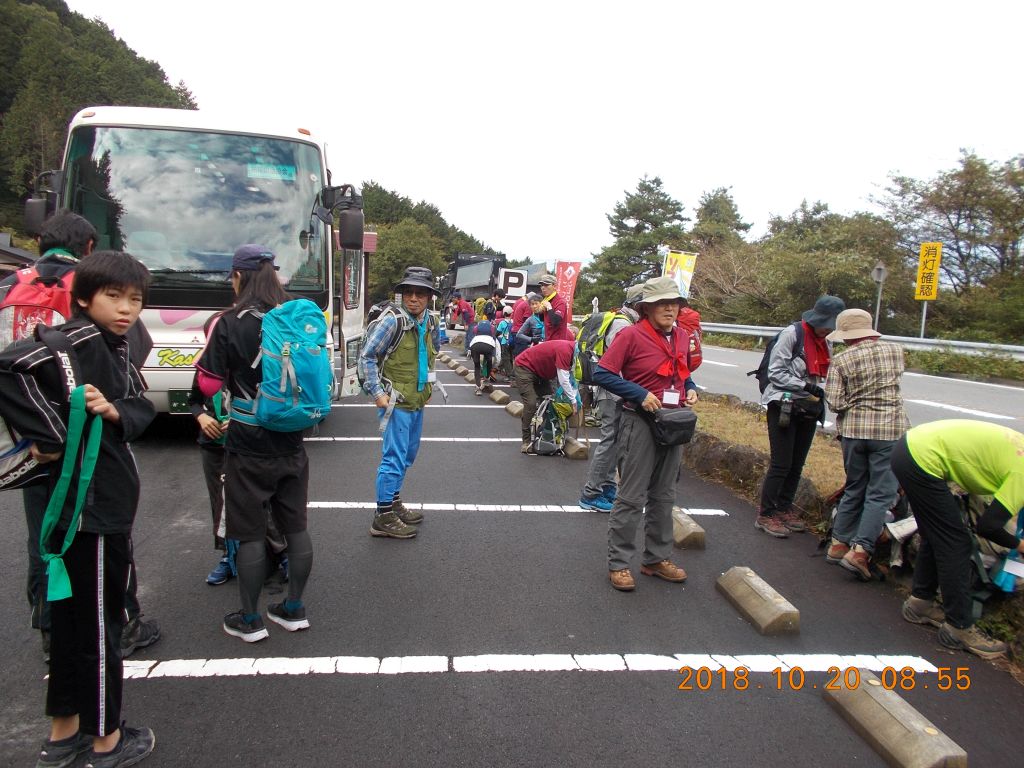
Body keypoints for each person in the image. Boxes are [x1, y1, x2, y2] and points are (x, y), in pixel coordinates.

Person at [0, 251, 157, 767]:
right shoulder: (80, 341)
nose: (126, 309)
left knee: (69, 624)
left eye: (135, 300)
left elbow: (138, 404)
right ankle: (107, 741)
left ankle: (62, 736)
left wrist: (113, 411)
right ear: (84, 297)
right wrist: (55, 434)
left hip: (76, 511)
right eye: (114, 296)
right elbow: (8, 365)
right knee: (100, 626)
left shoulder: (111, 346)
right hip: (93, 513)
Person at [195, 245, 315, 642]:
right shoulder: (294, 316)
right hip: (293, 438)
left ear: (238, 277)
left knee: (248, 532)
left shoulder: (231, 321)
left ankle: (249, 619)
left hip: (247, 441)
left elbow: (208, 383)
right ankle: (293, 609)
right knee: (295, 526)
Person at [592, 276, 697, 592]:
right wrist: (638, 393)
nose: (670, 308)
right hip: (639, 421)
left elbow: (683, 372)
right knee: (632, 495)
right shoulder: (630, 335)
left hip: (673, 421)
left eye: (674, 302)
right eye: (663, 303)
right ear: (647, 308)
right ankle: (619, 563)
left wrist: (689, 388)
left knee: (665, 494)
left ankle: (656, 558)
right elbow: (602, 373)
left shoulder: (681, 336)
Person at [891, 420, 1023, 659]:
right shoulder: (1022, 475)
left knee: (936, 533)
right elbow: (989, 526)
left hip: (911, 447)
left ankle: (920, 604)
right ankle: (959, 627)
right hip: (921, 458)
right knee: (957, 543)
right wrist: (1019, 545)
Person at [823, 309, 910, 579]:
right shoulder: (895, 351)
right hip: (889, 432)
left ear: (846, 336)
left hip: (854, 432)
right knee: (881, 493)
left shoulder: (840, 360)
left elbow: (835, 402)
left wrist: (856, 405)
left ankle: (839, 543)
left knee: (855, 486)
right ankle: (861, 551)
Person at [358, 266, 440, 539]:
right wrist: (377, 393)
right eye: (408, 292)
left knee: (408, 455)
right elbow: (367, 357)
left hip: (416, 400)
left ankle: (392, 502)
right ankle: (382, 516)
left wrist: (426, 390)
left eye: (420, 293)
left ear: (430, 296)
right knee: (393, 458)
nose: (413, 298)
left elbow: (430, 356)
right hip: (395, 402)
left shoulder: (430, 321)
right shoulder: (392, 321)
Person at [755, 294, 845, 538]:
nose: (827, 330)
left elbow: (823, 373)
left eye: (831, 326)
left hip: (809, 406)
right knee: (781, 462)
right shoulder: (792, 334)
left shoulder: (825, 341)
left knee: (797, 463)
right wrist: (803, 386)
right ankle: (766, 514)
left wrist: (814, 390)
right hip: (783, 403)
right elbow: (775, 372)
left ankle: (784, 508)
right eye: (825, 324)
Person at [578, 284, 643, 512]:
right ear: (638, 305)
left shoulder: (618, 321)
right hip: (613, 392)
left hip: (610, 391)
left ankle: (606, 488)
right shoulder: (624, 327)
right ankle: (591, 493)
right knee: (609, 442)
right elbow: (619, 363)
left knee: (614, 443)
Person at [512, 339, 578, 454]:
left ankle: (545, 436)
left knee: (551, 402)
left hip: (541, 373)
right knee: (531, 403)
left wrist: (574, 396)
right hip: (524, 367)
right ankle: (526, 441)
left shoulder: (573, 352)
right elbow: (563, 379)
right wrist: (573, 401)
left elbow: (571, 378)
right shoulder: (566, 350)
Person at [468, 318, 501, 395]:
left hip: (475, 344)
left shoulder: (476, 328)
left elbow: (471, 337)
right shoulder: (492, 328)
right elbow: (495, 345)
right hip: (488, 345)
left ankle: (477, 388)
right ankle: (486, 379)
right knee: (489, 362)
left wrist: (469, 350)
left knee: (477, 366)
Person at [536, 273, 572, 342]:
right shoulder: (546, 300)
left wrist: (549, 308)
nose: (543, 288)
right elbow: (543, 319)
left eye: (546, 285)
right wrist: (540, 311)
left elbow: (556, 321)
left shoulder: (560, 302)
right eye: (542, 285)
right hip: (548, 340)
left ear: (554, 286)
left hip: (557, 342)